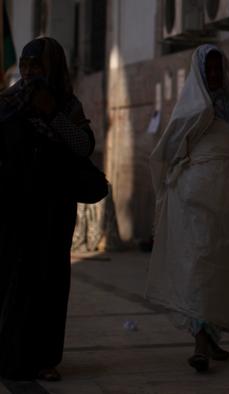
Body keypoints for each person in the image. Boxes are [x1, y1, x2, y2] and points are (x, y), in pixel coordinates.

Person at [147, 44, 229, 372]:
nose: (213, 74)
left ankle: (211, 336)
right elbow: (170, 149)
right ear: (198, 71)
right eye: (207, 69)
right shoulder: (188, 109)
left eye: (217, 68)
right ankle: (199, 341)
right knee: (199, 262)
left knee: (222, 265)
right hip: (194, 200)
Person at [0, 37, 96, 381]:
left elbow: (83, 147)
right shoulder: (8, 103)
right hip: (13, 208)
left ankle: (44, 358)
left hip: (54, 209)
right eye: (25, 66)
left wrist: (51, 113)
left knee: (49, 281)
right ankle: (11, 355)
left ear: (52, 67)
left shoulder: (66, 105)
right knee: (12, 279)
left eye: (36, 65)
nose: (28, 72)